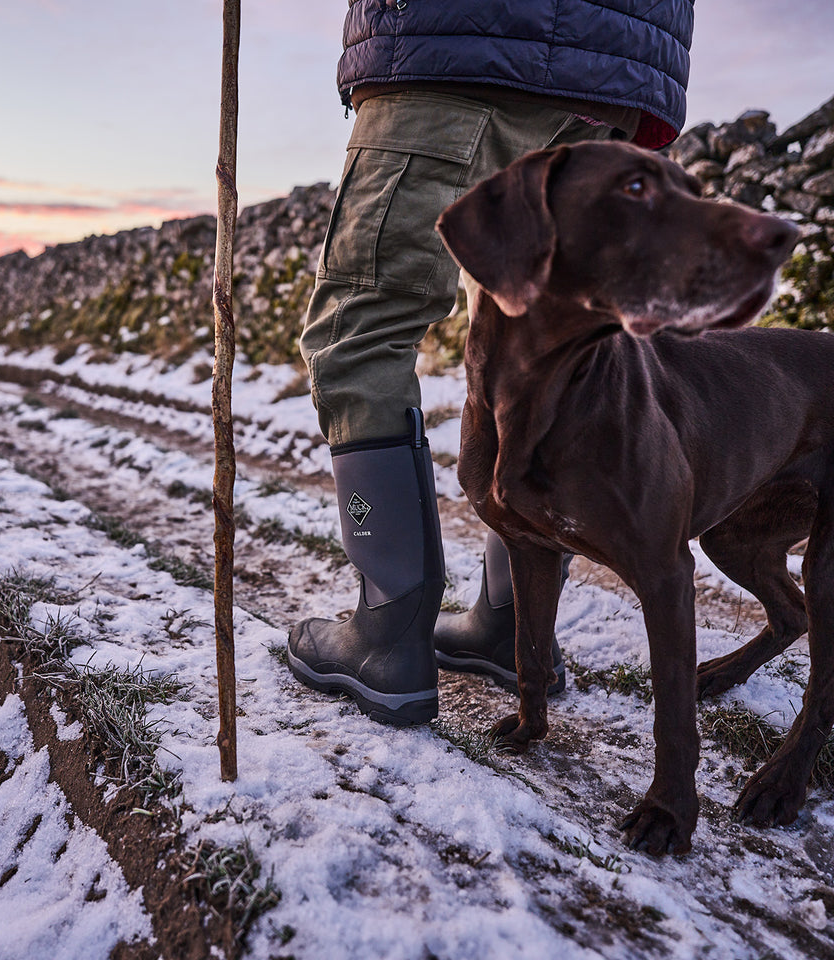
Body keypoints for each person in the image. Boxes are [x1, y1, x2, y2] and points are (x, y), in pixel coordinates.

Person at [287, 1, 694, 725]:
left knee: (364, 323)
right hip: (623, 73)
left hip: (463, 44)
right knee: (546, 338)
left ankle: (388, 634)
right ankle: (512, 627)